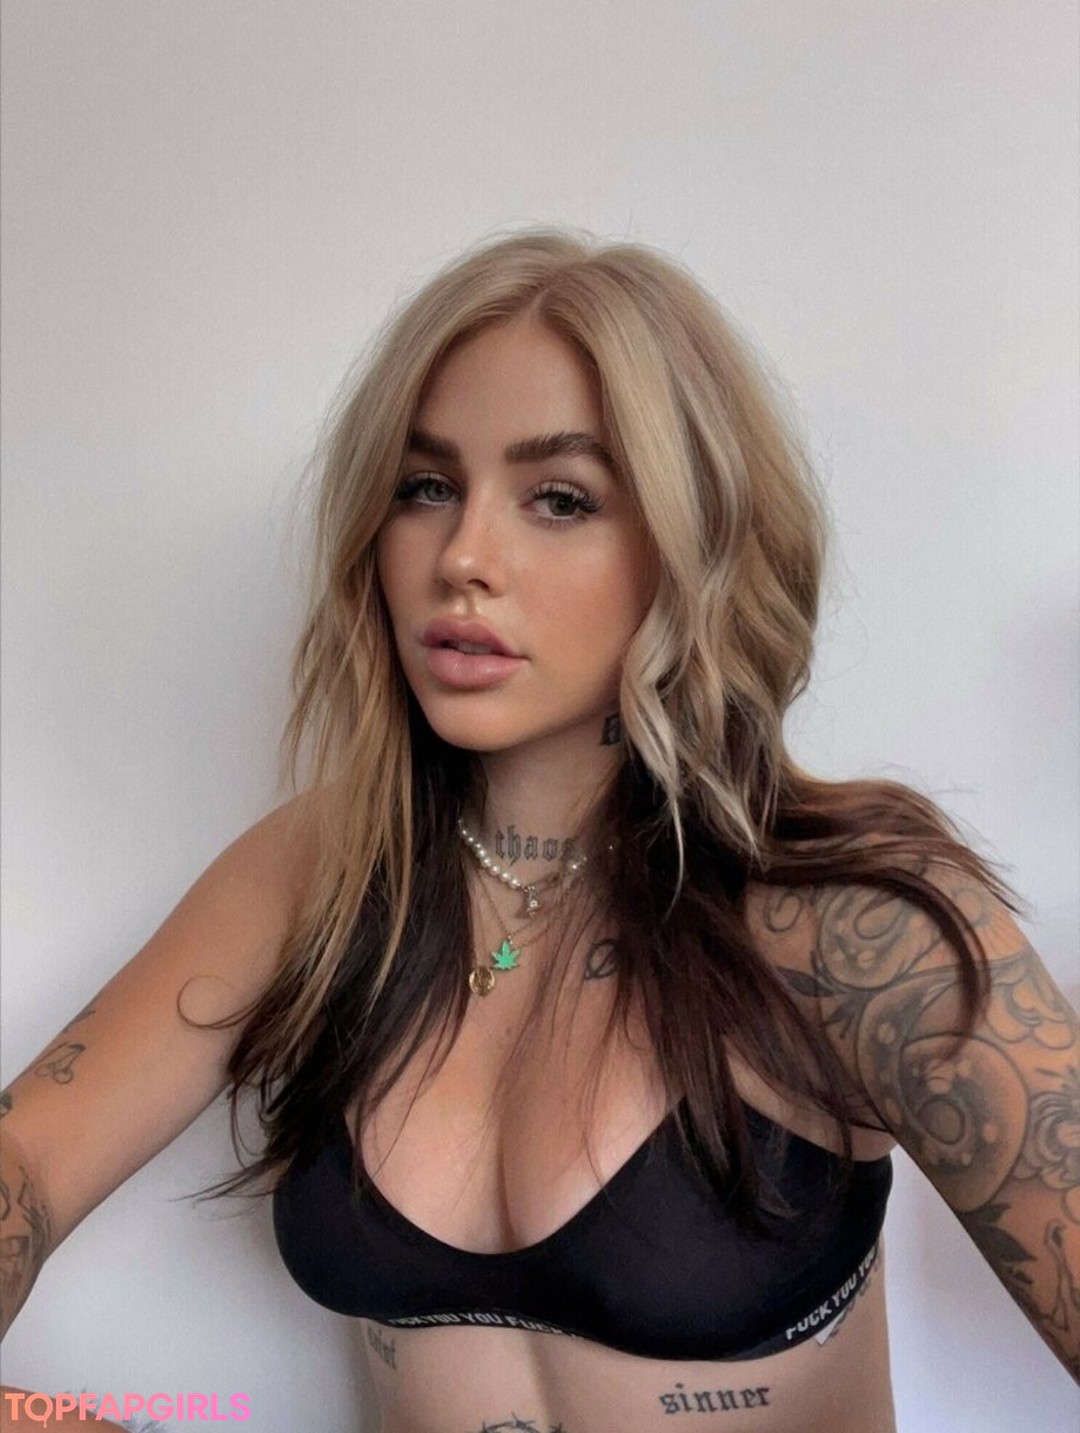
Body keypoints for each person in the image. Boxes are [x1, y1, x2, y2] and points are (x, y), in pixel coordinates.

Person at [1, 229, 1076, 1433]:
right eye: (425, 487)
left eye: (560, 498)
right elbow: (29, 1158)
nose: (463, 556)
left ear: (692, 542)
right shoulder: (320, 874)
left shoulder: (849, 919)